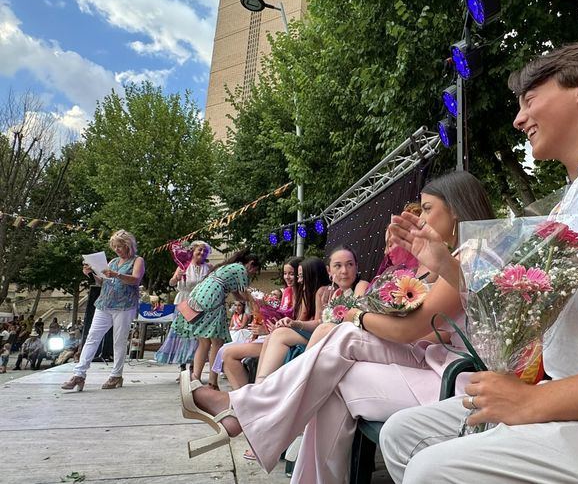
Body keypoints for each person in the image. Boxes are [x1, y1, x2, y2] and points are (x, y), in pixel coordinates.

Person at [376, 38, 578, 484]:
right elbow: (521, 316)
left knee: (432, 469)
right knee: (402, 434)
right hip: (561, 394)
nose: (518, 118)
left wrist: (533, 404)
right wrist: (443, 261)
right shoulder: (570, 202)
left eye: (529, 100)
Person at [179, 171, 496, 483]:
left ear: (454, 210)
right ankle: (247, 412)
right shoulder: (453, 259)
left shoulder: (470, 259)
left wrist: (357, 316)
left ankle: (243, 411)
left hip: (451, 380)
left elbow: (410, 330)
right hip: (431, 363)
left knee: (337, 349)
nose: (421, 219)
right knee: (332, 367)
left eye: (427, 209)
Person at [254, 247, 370, 383]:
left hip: (341, 340)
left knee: (280, 334)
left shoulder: (361, 286)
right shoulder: (335, 294)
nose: (344, 271)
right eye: (338, 266)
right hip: (325, 336)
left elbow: (353, 317)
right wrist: (294, 323)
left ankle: (262, 387)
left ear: (356, 267)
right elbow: (320, 322)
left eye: (349, 264)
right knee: (275, 335)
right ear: (329, 271)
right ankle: (259, 384)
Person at [217, 257, 327, 390]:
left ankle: (257, 389)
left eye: (293, 274)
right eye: (286, 274)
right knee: (226, 353)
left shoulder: (312, 292)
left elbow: (309, 322)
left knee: (231, 352)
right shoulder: (292, 293)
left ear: (310, 275)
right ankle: (247, 395)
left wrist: (278, 327)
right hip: (280, 334)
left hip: (286, 336)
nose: (290, 278)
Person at [61, 230, 145, 391]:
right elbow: (103, 282)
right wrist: (92, 272)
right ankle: (79, 374)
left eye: (120, 246)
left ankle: (116, 375)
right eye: (115, 246)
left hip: (124, 305)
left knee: (119, 341)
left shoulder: (137, 260)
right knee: (92, 337)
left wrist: (117, 274)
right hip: (105, 303)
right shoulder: (113, 261)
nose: (117, 249)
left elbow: (136, 280)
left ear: (128, 245)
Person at [171, 249, 261, 391]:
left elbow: (237, 296)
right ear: (250, 264)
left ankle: (195, 378)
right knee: (217, 342)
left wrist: (249, 301)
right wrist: (257, 301)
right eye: (254, 270)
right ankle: (212, 383)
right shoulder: (241, 269)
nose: (252, 273)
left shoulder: (228, 268)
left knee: (204, 341)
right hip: (212, 298)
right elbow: (244, 293)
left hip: (199, 295)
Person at [155, 241, 211, 374]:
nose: (202, 253)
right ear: (193, 251)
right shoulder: (183, 265)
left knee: (197, 336)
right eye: (200, 250)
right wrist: (177, 277)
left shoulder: (208, 267)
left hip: (200, 303)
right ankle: (182, 367)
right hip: (184, 302)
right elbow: (172, 282)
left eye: (205, 251)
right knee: (182, 334)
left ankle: (194, 367)